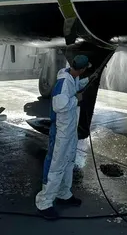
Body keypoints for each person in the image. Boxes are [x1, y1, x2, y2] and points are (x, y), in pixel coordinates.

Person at [35, 54, 94, 219]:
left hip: (69, 130)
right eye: (85, 70)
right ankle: (44, 202)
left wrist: (88, 80)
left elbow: (74, 86)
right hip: (61, 131)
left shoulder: (72, 77)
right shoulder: (63, 82)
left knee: (68, 162)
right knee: (56, 165)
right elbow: (59, 105)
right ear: (81, 69)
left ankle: (63, 194)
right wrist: (76, 99)